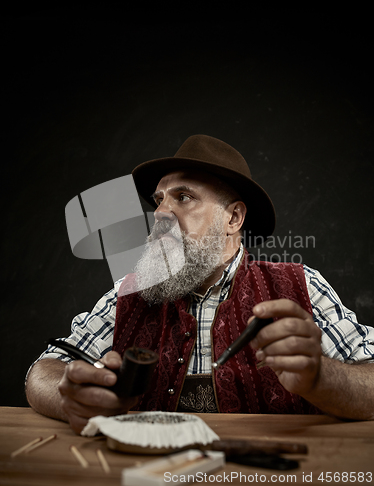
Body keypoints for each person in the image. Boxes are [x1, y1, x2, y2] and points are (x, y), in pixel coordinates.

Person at [26, 135, 374, 434]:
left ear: (233, 218)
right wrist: (69, 395)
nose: (161, 213)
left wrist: (322, 377)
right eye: (159, 199)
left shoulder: (301, 285)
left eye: (184, 197)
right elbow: (43, 370)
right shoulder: (128, 292)